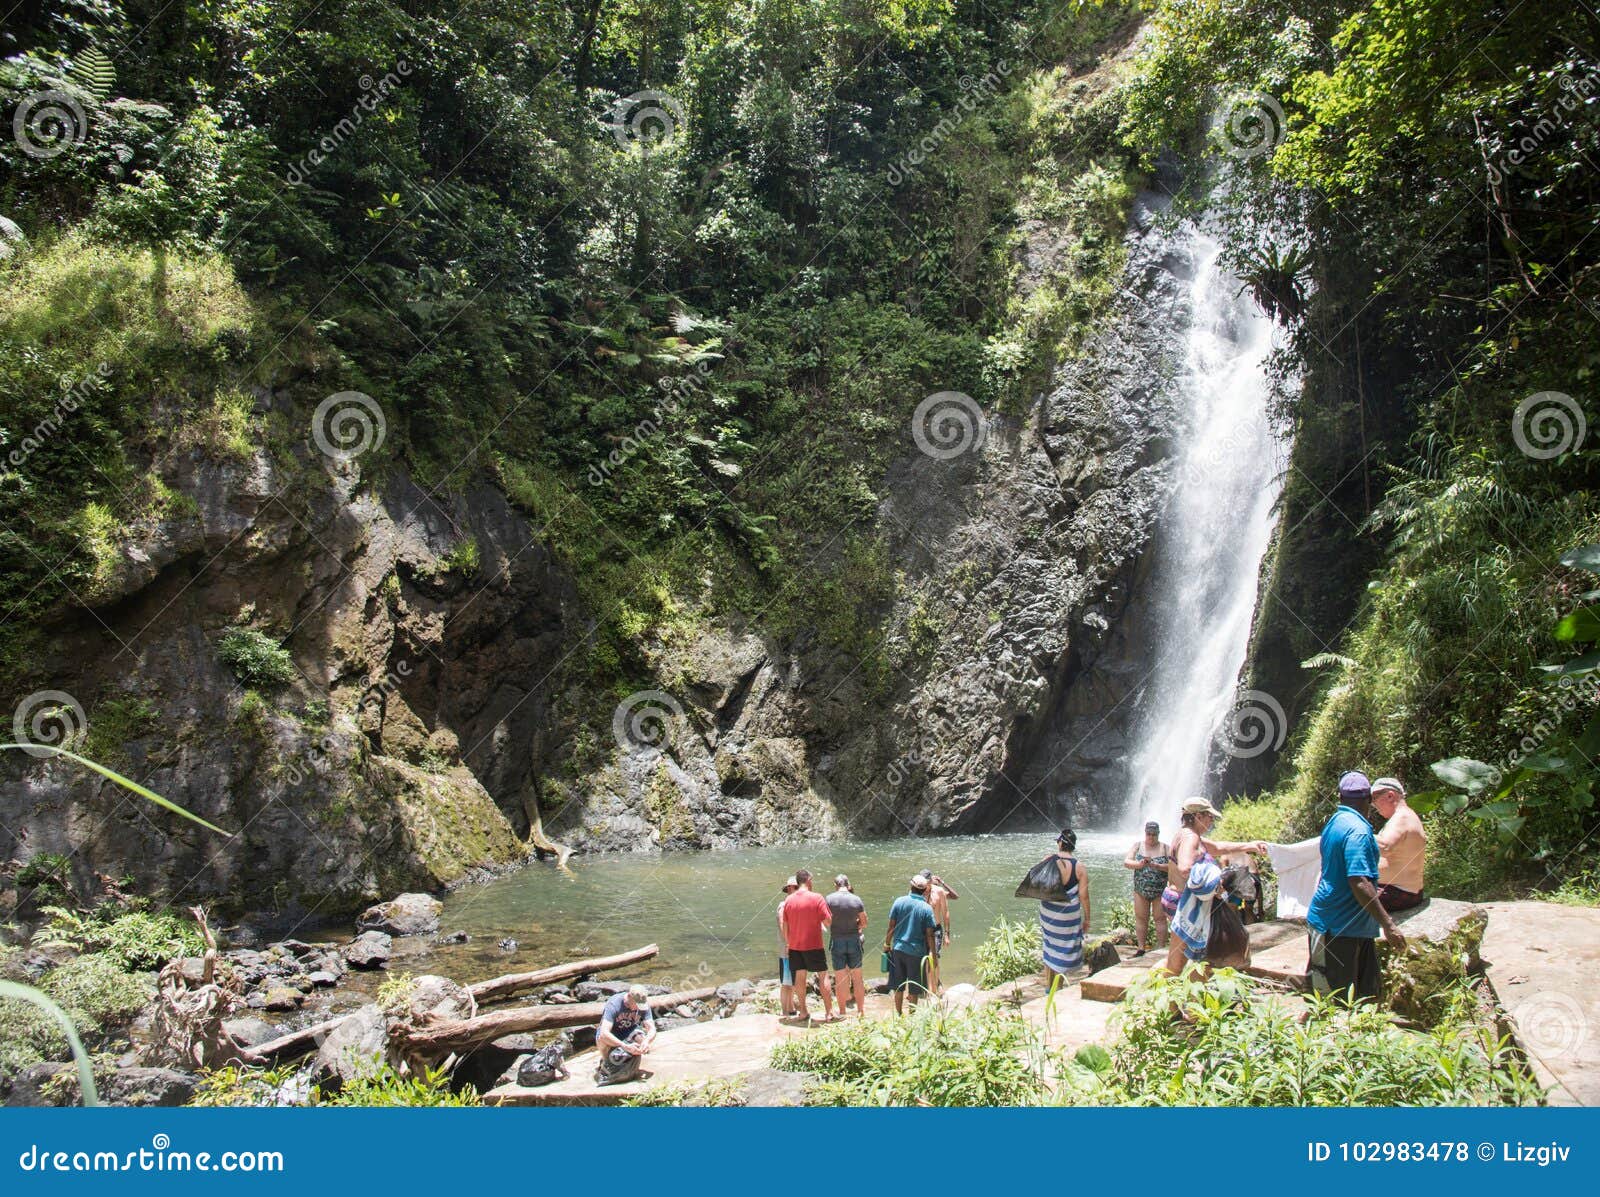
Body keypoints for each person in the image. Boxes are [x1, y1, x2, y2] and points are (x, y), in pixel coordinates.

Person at [1306, 770, 1408, 1003]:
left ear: (1340, 798)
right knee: (1338, 999)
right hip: (1338, 927)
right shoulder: (1359, 832)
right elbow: (1358, 881)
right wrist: (1389, 925)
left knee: (1365, 994)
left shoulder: (1335, 822)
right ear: (1368, 801)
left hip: (1349, 925)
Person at [1164, 799, 1267, 977]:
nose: (1212, 821)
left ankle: (1180, 997)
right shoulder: (1190, 837)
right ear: (1198, 816)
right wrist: (1213, 883)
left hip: (1178, 899)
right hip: (1184, 904)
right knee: (1176, 964)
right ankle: (1157, 998)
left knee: (1191, 958)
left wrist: (1250, 845)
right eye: (1209, 817)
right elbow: (1185, 868)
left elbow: (1218, 847)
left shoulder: (1188, 834)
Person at [780, 868, 837, 1022]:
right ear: (809, 880)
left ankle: (803, 1011)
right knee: (823, 975)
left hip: (795, 946)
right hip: (814, 944)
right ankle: (829, 1012)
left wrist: (788, 942)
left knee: (799, 976)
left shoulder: (789, 900)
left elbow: (785, 926)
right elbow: (828, 921)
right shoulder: (817, 898)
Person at [1039, 828, 1090, 980]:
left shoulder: (1048, 860)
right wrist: (1087, 919)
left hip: (1049, 912)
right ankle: (1060, 983)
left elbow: (1039, 883)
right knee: (1065, 946)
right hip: (1069, 915)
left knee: (1049, 946)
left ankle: (1051, 987)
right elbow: (1084, 896)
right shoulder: (1079, 867)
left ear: (1060, 843)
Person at [883, 875, 937, 1013]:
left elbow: (891, 927)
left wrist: (887, 944)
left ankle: (899, 1014)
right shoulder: (926, 908)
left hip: (898, 949)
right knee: (914, 988)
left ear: (910, 886)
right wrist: (933, 955)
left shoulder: (899, 902)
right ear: (925, 890)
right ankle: (912, 1015)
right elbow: (930, 934)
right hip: (917, 953)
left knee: (898, 986)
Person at [1372, 776, 1427, 911]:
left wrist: (1354, 833)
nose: (1373, 805)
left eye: (1374, 799)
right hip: (1402, 891)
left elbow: (1386, 846)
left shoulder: (1402, 817)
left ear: (1390, 796)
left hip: (1398, 893)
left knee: (1341, 894)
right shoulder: (1405, 816)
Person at [1123, 821, 1170, 955]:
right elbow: (1127, 862)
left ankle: (1161, 948)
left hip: (1159, 890)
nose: (1151, 837)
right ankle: (1141, 948)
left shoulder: (1166, 848)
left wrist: (1158, 866)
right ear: (1145, 833)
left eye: (1154, 834)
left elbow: (1174, 866)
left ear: (1158, 834)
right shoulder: (1137, 846)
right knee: (1141, 918)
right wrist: (1140, 864)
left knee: (1160, 919)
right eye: (1149, 834)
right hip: (1140, 890)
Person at [825, 874, 868, 1018]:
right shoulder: (856, 899)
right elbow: (864, 922)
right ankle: (860, 1011)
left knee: (840, 978)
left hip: (837, 940)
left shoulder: (829, 899)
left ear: (835, 885)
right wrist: (856, 926)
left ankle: (842, 1011)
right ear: (848, 884)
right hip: (854, 939)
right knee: (857, 978)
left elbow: (827, 921)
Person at [594, 984, 657, 1081]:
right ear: (629, 997)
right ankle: (605, 1060)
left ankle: (627, 1060)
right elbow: (604, 1033)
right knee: (602, 1040)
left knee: (642, 1040)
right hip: (613, 1033)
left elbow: (651, 1028)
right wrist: (624, 1046)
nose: (638, 1008)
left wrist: (647, 1041)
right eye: (636, 1004)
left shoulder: (643, 1004)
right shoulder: (614, 1004)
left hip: (629, 1030)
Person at [917, 868, 958, 992]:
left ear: (930, 881)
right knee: (921, 958)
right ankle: (927, 986)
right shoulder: (917, 892)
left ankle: (933, 990)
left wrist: (947, 934)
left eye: (925, 881)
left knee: (932, 957)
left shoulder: (939, 892)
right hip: (921, 929)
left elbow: (945, 912)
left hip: (935, 929)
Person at [776, 877, 799, 1017]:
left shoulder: (792, 905)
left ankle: (791, 1008)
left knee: (791, 981)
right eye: (796, 888)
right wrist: (789, 943)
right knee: (786, 982)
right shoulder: (783, 905)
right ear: (790, 889)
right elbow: (781, 923)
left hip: (792, 947)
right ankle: (784, 1011)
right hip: (786, 949)